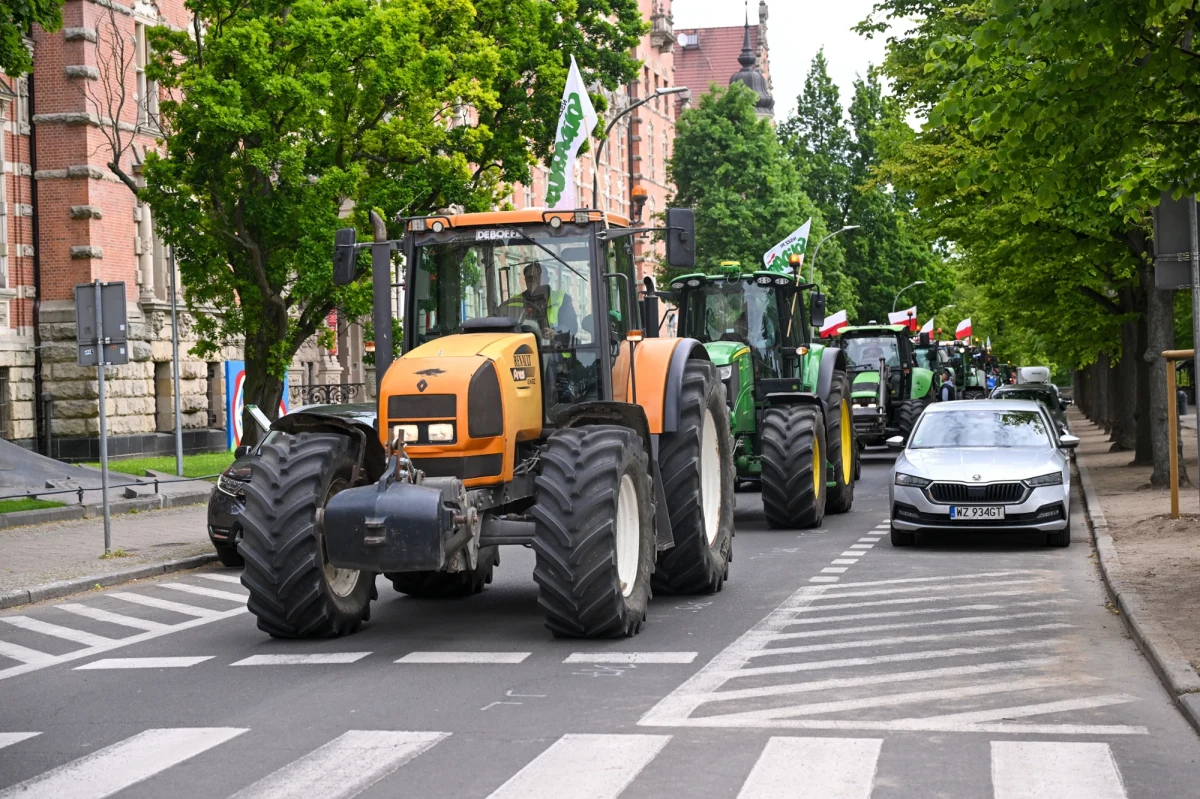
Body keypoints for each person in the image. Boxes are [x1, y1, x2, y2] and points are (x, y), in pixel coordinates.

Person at [505, 262, 577, 343]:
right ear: (525, 280)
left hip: (555, 351)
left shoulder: (561, 298)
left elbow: (572, 327)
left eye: (537, 277)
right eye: (529, 277)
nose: (532, 281)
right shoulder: (513, 302)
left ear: (547, 280)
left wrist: (554, 332)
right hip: (524, 348)